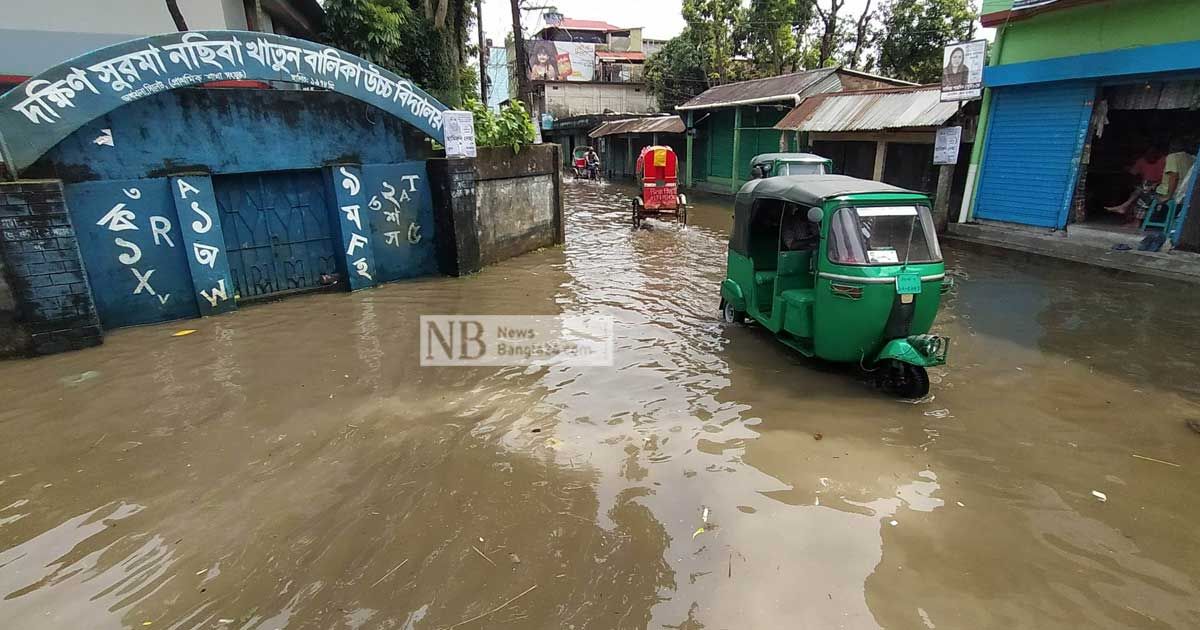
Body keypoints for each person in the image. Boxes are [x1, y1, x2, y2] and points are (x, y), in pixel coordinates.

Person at [1105, 143, 1167, 222]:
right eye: (1148, 153)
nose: (1151, 156)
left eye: (1153, 153)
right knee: (1139, 190)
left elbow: (1166, 178)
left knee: (1141, 192)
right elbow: (1132, 175)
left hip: (1160, 187)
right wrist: (1135, 184)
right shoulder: (1141, 161)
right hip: (1146, 186)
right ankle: (1127, 211)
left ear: (1158, 153)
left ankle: (1127, 211)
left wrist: (1155, 184)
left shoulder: (1163, 160)